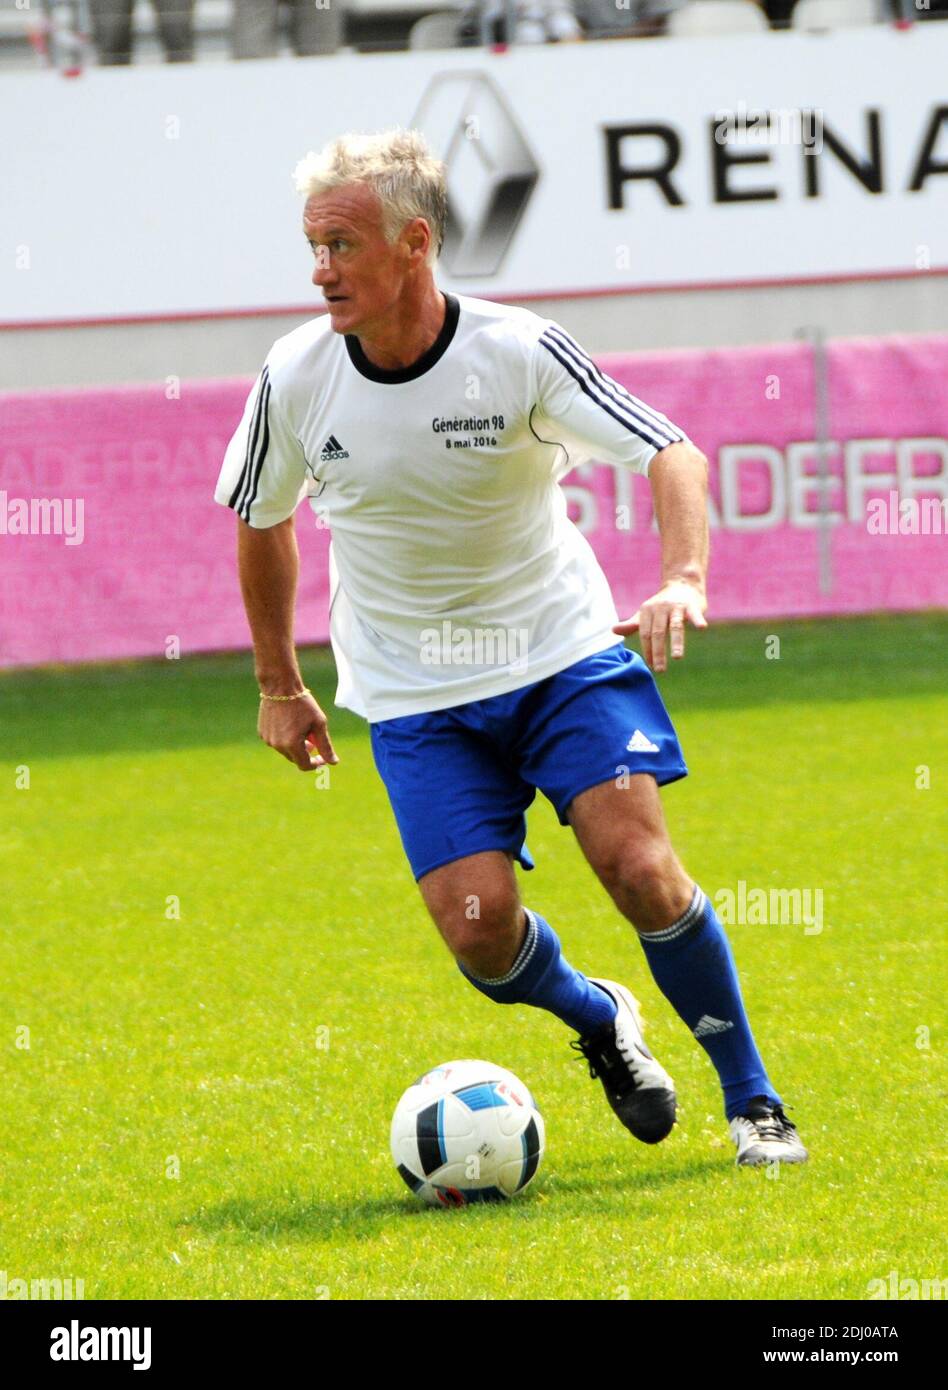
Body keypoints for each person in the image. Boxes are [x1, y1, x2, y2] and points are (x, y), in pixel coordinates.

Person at [213, 128, 808, 1169]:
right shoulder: (295, 376)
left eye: (341, 245)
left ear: (415, 243)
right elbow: (261, 520)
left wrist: (681, 579)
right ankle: (598, 1020)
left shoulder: (518, 349)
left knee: (639, 869)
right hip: (414, 696)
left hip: (560, 657)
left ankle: (754, 1100)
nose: (320, 270)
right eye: (311, 246)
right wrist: (278, 683)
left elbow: (671, 449)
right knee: (480, 935)